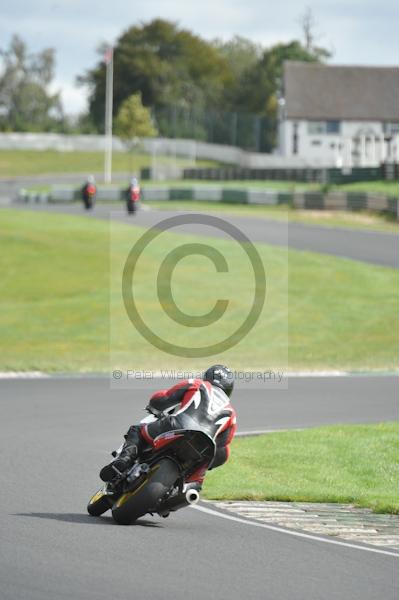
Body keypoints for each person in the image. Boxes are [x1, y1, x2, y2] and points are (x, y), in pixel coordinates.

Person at [100, 365, 237, 490]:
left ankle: (124, 460)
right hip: (204, 448)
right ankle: (185, 488)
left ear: (207, 377)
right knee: (201, 472)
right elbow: (223, 445)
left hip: (177, 426)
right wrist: (208, 462)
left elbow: (162, 399)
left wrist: (154, 406)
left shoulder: (197, 384)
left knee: (137, 430)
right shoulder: (231, 412)